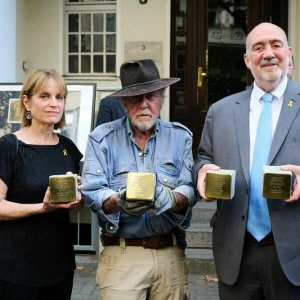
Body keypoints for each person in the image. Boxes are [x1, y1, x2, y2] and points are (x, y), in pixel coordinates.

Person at [193, 22, 300, 299]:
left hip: (293, 252)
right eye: (258, 47)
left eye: (275, 45)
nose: (268, 53)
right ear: (246, 59)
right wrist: (203, 171)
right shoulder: (221, 111)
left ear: (288, 53)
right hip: (236, 252)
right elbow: (203, 156)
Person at [82, 59, 196, 300]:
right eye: (136, 97)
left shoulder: (180, 137)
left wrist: (172, 198)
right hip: (122, 256)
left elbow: (189, 188)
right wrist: (117, 201)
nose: (144, 104)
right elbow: (92, 192)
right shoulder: (101, 139)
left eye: (151, 96)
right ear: (123, 103)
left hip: (169, 256)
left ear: (161, 99)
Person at [0, 69, 83, 300]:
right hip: (15, 268)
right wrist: (41, 208)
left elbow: (75, 208)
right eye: (44, 96)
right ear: (26, 101)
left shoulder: (68, 147)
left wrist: (78, 197)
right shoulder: (9, 147)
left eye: (60, 97)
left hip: (59, 265)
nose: (54, 103)